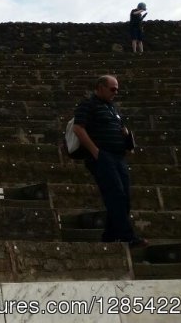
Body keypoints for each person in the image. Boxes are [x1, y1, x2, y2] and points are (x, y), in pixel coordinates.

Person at [71, 75, 147, 247]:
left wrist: (127, 139)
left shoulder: (112, 108)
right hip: (103, 156)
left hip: (118, 157)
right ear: (100, 87)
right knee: (116, 195)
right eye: (113, 89)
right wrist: (95, 152)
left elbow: (121, 128)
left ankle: (110, 236)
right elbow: (78, 128)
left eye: (117, 89)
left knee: (124, 196)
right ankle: (127, 236)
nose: (116, 92)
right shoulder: (88, 105)